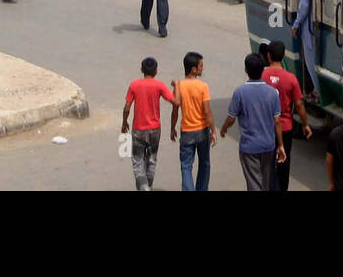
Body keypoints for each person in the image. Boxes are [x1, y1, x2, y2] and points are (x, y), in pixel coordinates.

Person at [219, 52, 285, 192]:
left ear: (246, 70)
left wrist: (224, 129)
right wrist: (280, 145)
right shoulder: (273, 93)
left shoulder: (240, 92)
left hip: (249, 147)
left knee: (254, 183)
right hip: (268, 145)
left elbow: (231, 118)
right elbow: (277, 122)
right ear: (263, 70)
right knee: (265, 184)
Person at [120, 56, 179, 191]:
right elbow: (176, 102)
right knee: (151, 160)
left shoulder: (134, 85)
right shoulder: (159, 85)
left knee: (137, 162)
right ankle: (149, 187)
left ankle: (144, 188)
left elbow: (127, 107)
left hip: (138, 130)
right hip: (155, 130)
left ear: (141, 69)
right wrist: (177, 86)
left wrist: (124, 122)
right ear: (156, 71)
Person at [262, 40, 312, 192]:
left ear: (268, 56)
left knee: (267, 162)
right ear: (283, 55)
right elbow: (299, 105)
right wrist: (305, 124)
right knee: (284, 161)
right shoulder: (291, 78)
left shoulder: (261, 74)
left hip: (266, 127)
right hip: (285, 127)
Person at [171, 52, 216, 192]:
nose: (203, 68)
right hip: (202, 131)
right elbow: (207, 111)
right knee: (204, 164)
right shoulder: (203, 86)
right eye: (201, 66)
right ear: (194, 69)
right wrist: (213, 130)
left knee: (186, 166)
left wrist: (172, 128)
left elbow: (175, 110)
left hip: (187, 132)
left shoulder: (179, 86)